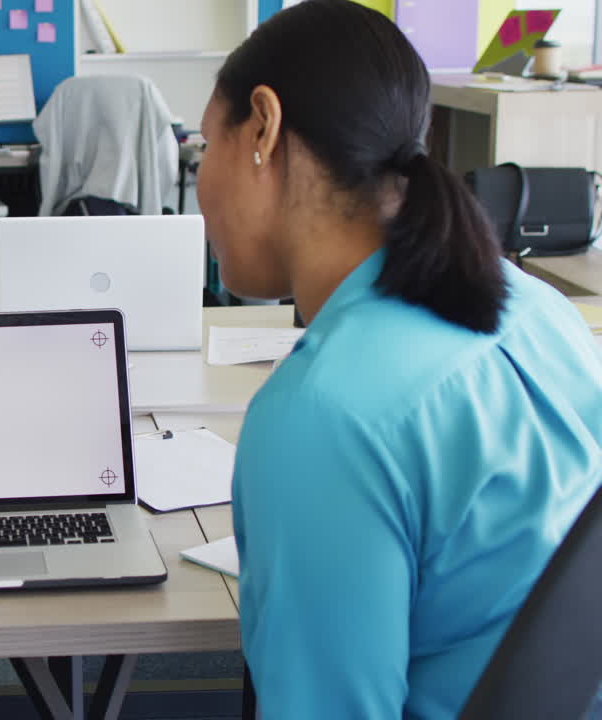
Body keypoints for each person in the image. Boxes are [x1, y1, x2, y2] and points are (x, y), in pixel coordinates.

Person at [195, 0, 602, 717]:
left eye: (206, 147)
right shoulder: (539, 310)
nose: (200, 184)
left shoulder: (322, 416)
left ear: (262, 127)